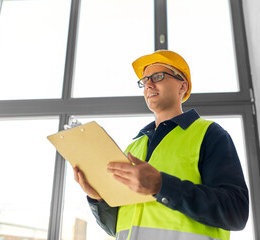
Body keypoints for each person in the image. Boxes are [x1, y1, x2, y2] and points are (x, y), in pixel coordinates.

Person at [74, 50, 249, 240]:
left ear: (183, 86)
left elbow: (236, 212)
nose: (148, 84)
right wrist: (98, 199)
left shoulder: (209, 134)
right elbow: (118, 228)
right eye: (144, 80)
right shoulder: (133, 148)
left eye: (157, 76)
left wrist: (161, 185)